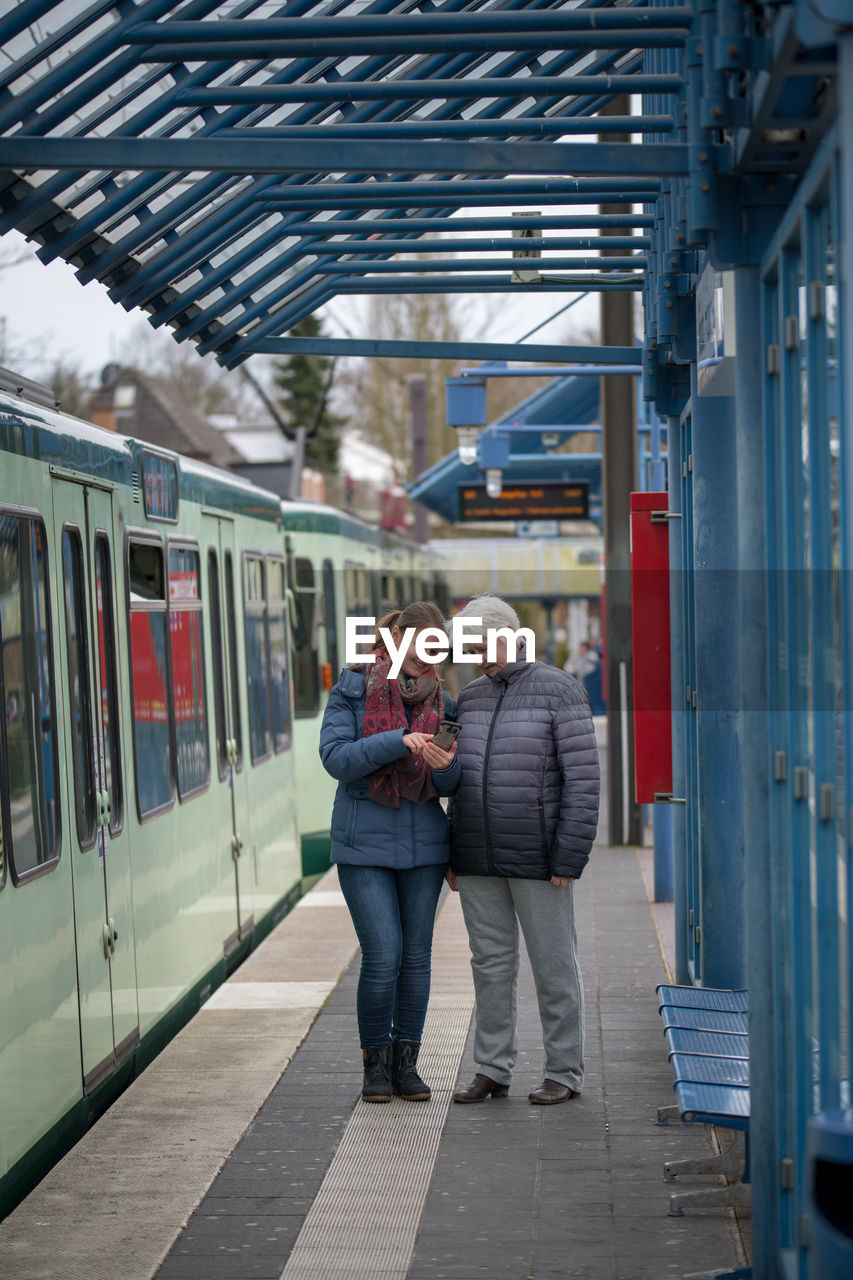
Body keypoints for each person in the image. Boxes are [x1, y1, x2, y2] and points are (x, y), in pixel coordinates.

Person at [446, 594, 599, 1105]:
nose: (476, 656)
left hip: (538, 858)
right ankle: (492, 1066)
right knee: (489, 965)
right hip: (477, 857)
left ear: (511, 632)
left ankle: (565, 1070)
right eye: (469, 647)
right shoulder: (469, 698)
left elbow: (582, 781)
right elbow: (459, 777)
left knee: (554, 965)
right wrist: (453, 851)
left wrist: (569, 857)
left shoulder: (561, 690)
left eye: (481, 644)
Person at [319, 601, 460, 1103]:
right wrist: (399, 741)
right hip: (363, 846)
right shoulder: (354, 687)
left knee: (417, 958)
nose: (429, 661)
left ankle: (407, 1064)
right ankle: (374, 1065)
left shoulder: (447, 701)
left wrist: (444, 765)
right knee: (383, 956)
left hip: (425, 846)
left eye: (437, 651)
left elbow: (452, 783)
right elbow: (335, 760)